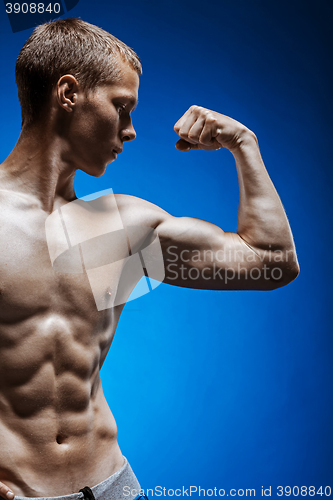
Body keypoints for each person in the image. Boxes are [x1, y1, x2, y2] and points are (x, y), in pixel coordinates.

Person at [0, 17, 299, 500]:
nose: (131, 130)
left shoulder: (120, 230)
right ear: (69, 93)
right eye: (122, 107)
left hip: (114, 486)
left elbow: (273, 262)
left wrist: (244, 144)